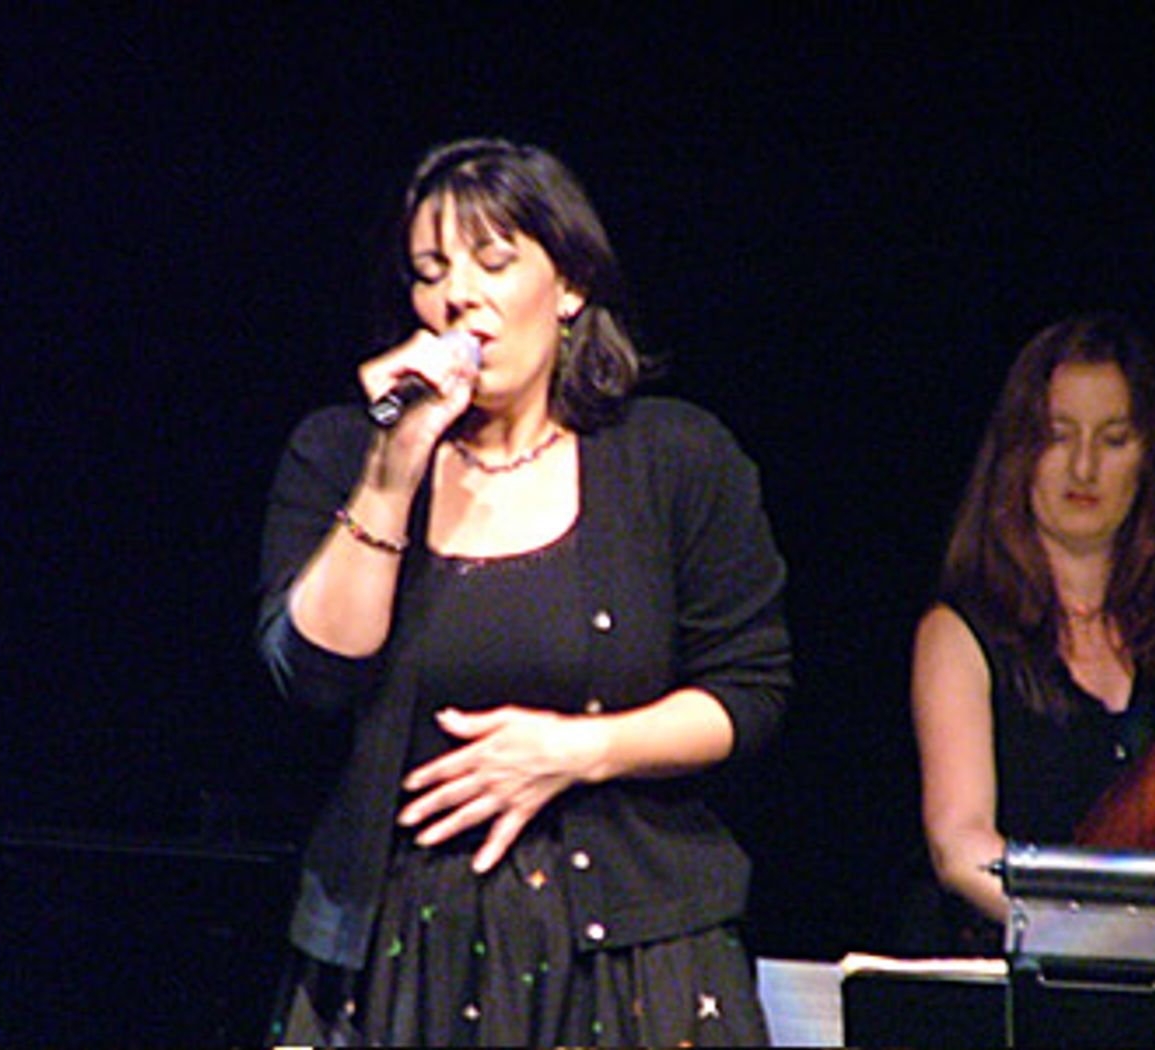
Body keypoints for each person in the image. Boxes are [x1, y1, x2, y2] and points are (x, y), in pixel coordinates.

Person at [255, 137, 792, 1045]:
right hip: (409, 954)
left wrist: (576, 751)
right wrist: (392, 469)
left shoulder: (673, 456)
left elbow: (750, 691)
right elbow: (313, 674)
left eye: (493, 261)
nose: (458, 296)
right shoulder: (344, 452)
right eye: (431, 273)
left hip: (630, 954)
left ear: (570, 284)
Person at [904, 312, 1155, 955]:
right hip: (1018, 976)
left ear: (1149, 457)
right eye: (1057, 436)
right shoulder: (961, 635)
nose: (1084, 467)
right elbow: (960, 845)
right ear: (1019, 454)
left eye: (1114, 439)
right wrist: (1104, 936)